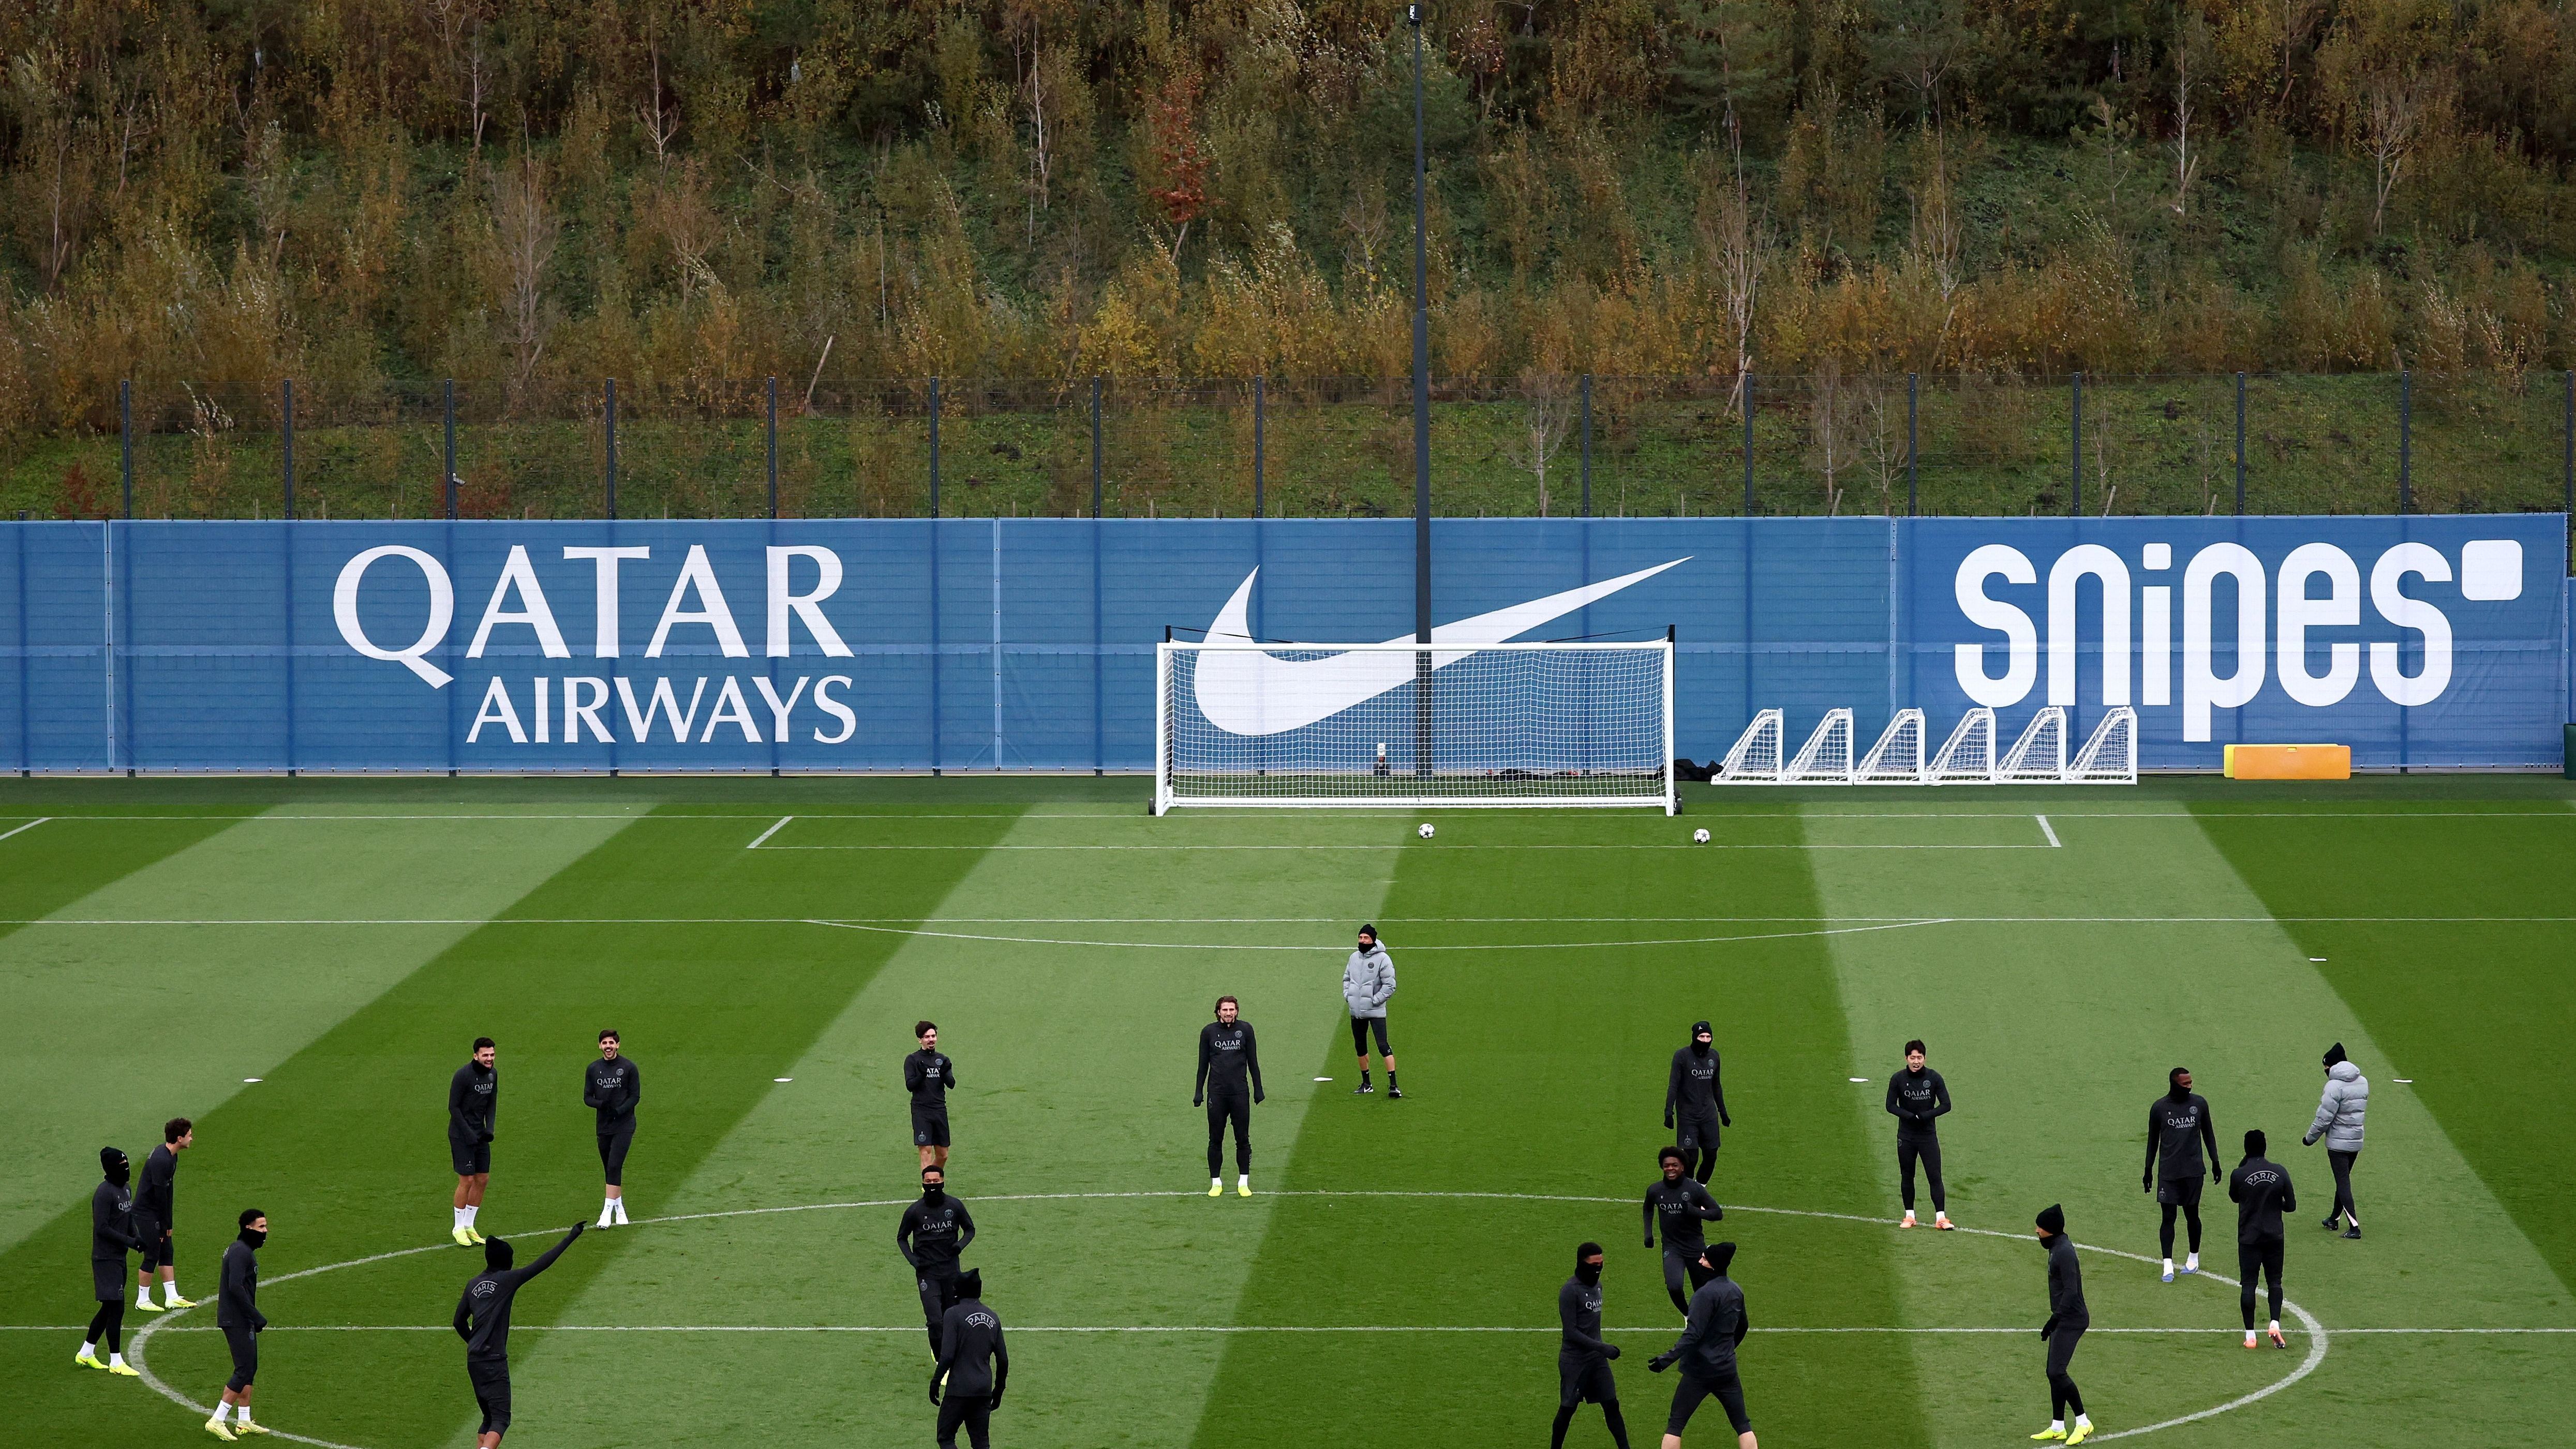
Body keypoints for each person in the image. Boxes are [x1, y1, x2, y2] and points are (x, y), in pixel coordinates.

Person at [453, 1222, 586, 1449]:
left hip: (474, 1361)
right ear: (506, 1261)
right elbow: (542, 1264)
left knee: (488, 1418)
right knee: (501, 1419)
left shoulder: (472, 1284)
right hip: (494, 1361)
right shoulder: (507, 1280)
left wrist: (476, 1343)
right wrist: (571, 1237)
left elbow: (458, 1322)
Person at [1644, 1241, 1754, 1449]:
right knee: (1743, 1424)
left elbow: (1692, 1335)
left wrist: (1665, 1360)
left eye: (1704, 1258)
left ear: (1712, 1265)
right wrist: (1727, 1350)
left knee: (1675, 1424)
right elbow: (1744, 1326)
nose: (1699, 1261)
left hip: (1699, 1372)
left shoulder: (1703, 1295)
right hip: (1727, 1370)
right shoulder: (1736, 1291)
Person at [2143, 1067, 2221, 1281]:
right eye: (2185, 1084)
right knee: (2168, 1218)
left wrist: (2215, 1162)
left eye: (2190, 1083)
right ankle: (2167, 1264)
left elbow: (2209, 1135)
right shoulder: (2159, 1108)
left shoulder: (2199, 1104)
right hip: (2168, 1173)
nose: (2190, 1086)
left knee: (2192, 1214)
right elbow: (2152, 1142)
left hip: (2194, 1172)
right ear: (2174, 1084)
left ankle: (2193, 1259)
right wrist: (2148, 1170)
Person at [1553, 1241, 1631, 1449]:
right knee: (1568, 1408)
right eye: (1594, 1264)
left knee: (1612, 1404)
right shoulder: (1569, 1291)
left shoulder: (1598, 1286)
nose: (1598, 1268)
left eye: (1601, 1263)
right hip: (1575, 1361)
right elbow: (1571, 1332)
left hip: (1597, 1361)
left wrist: (1599, 1350)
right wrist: (1602, 1347)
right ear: (1582, 1263)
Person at [205, 1207, 273, 1440]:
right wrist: (255, 1315)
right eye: (261, 1227)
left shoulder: (242, 1250)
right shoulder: (241, 1252)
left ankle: (244, 1420)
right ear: (249, 1228)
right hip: (236, 1319)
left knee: (250, 1368)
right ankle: (217, 1420)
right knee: (243, 1369)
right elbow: (235, 1286)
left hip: (240, 1317)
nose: (266, 1231)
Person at [897, 1166, 977, 1356]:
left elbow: (970, 1230)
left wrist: (959, 1246)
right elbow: (901, 1238)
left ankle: (950, 1352)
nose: (933, 1185)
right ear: (923, 1184)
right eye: (928, 1182)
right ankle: (940, 1358)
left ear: (943, 1181)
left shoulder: (955, 1206)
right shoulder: (914, 1211)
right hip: (927, 1274)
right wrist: (914, 1262)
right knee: (935, 1321)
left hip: (951, 1272)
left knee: (951, 1317)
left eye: (936, 1181)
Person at [2031, 1204, 2093, 1445]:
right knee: (2053, 1373)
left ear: (2052, 1230)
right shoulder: (2057, 1247)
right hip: (2063, 1318)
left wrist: (2053, 1320)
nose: (2037, 1231)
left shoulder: (2064, 1252)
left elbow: (2071, 1291)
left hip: (2072, 1320)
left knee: (2057, 1371)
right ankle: (2058, 1426)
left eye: (2040, 1227)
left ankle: (2084, 1423)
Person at [79, 1147, 144, 1377]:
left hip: (119, 1257)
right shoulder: (104, 1193)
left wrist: (137, 1238)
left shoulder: (126, 1189)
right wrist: (130, 1241)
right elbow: (102, 1228)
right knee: (116, 1307)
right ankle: (116, 1361)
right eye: (122, 1165)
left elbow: (127, 1218)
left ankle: (86, 1353)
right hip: (106, 1258)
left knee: (109, 1307)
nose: (127, 1169)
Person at [2227, 1130, 2295, 1350]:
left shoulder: (2239, 1174)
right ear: (2265, 1147)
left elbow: (2234, 1197)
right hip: (2275, 1236)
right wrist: (2277, 1206)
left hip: (2249, 1238)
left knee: (2249, 1284)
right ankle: (2275, 1323)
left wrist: (2245, 1163)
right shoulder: (2280, 1171)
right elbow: (2291, 1206)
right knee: (2275, 1282)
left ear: (2246, 1149)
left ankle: (2250, 1336)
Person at [929, 1267, 1008, 1449]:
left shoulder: (953, 1314)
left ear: (959, 1291)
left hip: (959, 1389)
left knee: (946, 1437)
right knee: (981, 1443)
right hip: (983, 1389)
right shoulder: (993, 1317)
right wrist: (999, 1389)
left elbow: (947, 1355)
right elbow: (1003, 1359)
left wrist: (935, 1382)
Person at [1194, 995, 1264, 1197]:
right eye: (1225, 1010)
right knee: (1215, 1139)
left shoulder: (1246, 1031)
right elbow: (1202, 1066)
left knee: (1242, 1139)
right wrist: (1199, 1091)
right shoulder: (1208, 1033)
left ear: (1237, 1011)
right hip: (1216, 1094)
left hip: (1240, 1093)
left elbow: (1253, 1062)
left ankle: (1244, 1182)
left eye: (1232, 1010)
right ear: (1218, 1012)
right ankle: (1216, 1182)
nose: (1228, 1013)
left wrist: (1258, 1089)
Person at [1643, 1146, 1724, 1318]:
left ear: (1683, 1167)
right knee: (1674, 1286)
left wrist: (1695, 1212)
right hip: (1672, 1247)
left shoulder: (1695, 1189)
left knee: (1702, 1290)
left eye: (1675, 1165)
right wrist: (1648, 1234)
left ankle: (1705, 1318)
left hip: (1695, 1247)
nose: (1670, 1169)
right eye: (1667, 1166)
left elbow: (1717, 1213)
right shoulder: (1655, 1190)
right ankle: (1688, 1316)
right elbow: (1648, 1208)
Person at [1884, 1040, 1954, 1229]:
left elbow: (1946, 1105)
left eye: (1920, 1058)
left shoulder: (1934, 1078)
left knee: (1934, 1175)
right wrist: (1909, 1117)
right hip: (1906, 1136)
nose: (1916, 1062)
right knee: (1907, 1175)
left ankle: (1941, 1218)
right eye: (1913, 1058)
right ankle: (1909, 1216)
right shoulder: (1898, 1079)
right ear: (1906, 1058)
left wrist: (1924, 1116)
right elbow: (1890, 1105)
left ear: (1925, 1058)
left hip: (1928, 1136)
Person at [2303, 1042, 2368, 1239]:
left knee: (2343, 1182)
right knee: (2343, 1179)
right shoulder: (2363, 1081)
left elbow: (2324, 1118)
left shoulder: (2333, 1086)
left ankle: (2354, 1227)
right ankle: (2334, 1218)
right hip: (2356, 1141)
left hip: (2338, 1144)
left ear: (2332, 1066)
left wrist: (2310, 1138)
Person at [135, 1117, 196, 1312]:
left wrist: (168, 1222)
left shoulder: (171, 1156)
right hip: (146, 1213)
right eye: (189, 1135)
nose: (192, 1139)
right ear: (179, 1138)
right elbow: (160, 1195)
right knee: (152, 1253)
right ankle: (142, 1299)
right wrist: (164, 1224)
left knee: (167, 1251)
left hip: (156, 1212)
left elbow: (168, 1191)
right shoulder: (162, 1160)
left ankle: (172, 1297)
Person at [584, 1030, 641, 1228]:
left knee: (615, 1165)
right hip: (604, 1126)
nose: (608, 1046)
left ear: (618, 1045)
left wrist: (620, 1110)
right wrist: (603, 1106)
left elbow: (635, 1096)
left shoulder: (628, 1068)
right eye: (604, 1043)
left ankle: (606, 1214)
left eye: (611, 1043)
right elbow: (587, 1097)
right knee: (610, 1169)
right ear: (600, 1046)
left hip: (624, 1125)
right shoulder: (593, 1069)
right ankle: (620, 1209)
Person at [1664, 1023, 1731, 1186]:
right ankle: (1685, 1192)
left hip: (1708, 1115)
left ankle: (1699, 1189)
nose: (1705, 1040)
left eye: (1709, 1037)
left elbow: (1716, 1086)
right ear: (1695, 1037)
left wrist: (1723, 1112)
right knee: (1691, 1158)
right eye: (1702, 1037)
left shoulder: (1714, 1057)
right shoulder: (1682, 1057)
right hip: (1688, 1116)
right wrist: (1668, 1111)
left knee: (1711, 1155)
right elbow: (1674, 1085)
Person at [449, 1037, 498, 1246]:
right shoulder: (463, 1076)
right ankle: (458, 1227)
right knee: (467, 1180)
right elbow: (454, 1107)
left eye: (492, 1055)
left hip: (479, 1135)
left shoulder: (492, 1075)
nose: (489, 1059)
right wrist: (468, 1133)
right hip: (461, 1135)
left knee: (483, 1178)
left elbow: (491, 1103)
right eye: (485, 1055)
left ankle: (470, 1225)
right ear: (475, 1055)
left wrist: (489, 1129)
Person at [1343, 924, 1400, 1098]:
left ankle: (1394, 1085)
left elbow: (1390, 986)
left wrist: (1375, 1001)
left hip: (1375, 1012)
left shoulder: (1383, 959)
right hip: (1357, 1012)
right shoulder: (1354, 958)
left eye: (1366, 938)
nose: (1362, 941)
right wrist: (1349, 997)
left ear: (1373, 940)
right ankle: (1367, 1084)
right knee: (1360, 1047)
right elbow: (1347, 979)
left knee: (1383, 1046)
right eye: (1360, 938)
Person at [906, 1022, 957, 1172]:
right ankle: (928, 1187)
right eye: (927, 1037)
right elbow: (910, 1086)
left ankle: (933, 1179)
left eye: (933, 1036)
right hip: (921, 1111)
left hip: (939, 1110)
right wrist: (921, 1075)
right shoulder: (912, 1060)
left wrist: (944, 1072)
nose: (931, 1040)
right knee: (926, 1151)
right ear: (919, 1040)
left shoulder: (942, 1060)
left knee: (943, 1155)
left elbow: (952, 1084)